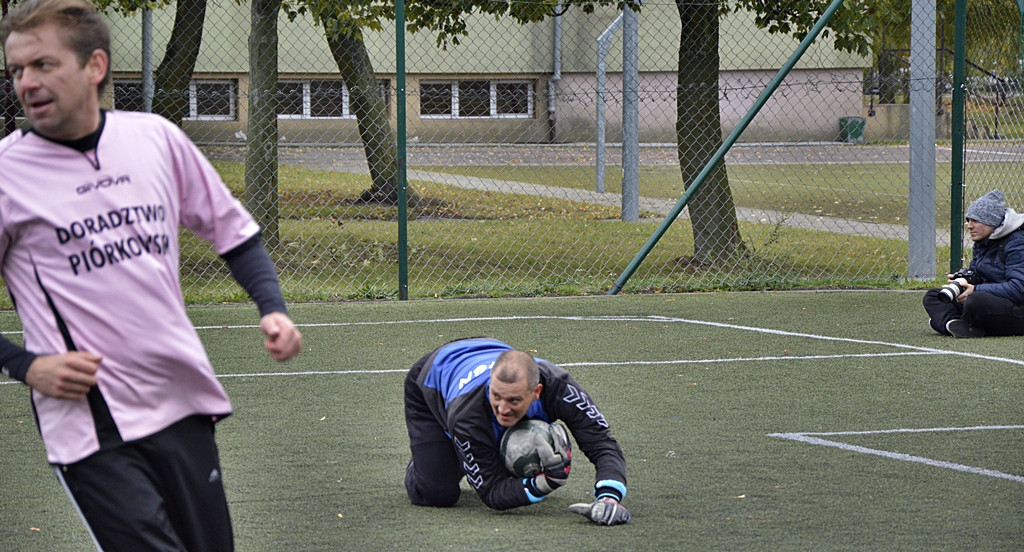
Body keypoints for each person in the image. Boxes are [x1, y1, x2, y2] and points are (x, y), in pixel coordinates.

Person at [0, 0, 303, 549]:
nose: (26, 82)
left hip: (178, 396)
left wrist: (271, 307)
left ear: (94, 67)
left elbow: (233, 231)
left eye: (42, 65)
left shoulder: (155, 139)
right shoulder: (6, 172)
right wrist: (26, 366)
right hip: (90, 422)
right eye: (16, 70)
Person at [403, 337, 630, 526]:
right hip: (430, 381)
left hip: (486, 352)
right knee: (437, 494)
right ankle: (439, 453)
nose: (503, 408)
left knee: (504, 436)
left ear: (536, 392)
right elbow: (491, 491)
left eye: (514, 400)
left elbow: (602, 444)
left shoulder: (561, 388)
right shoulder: (467, 415)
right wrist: (546, 483)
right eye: (496, 396)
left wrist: (609, 498)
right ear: (490, 384)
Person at [924, 189, 1024, 338]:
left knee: (975, 301)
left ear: (992, 222)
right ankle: (954, 325)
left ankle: (950, 324)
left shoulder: (1017, 243)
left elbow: (1019, 288)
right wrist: (963, 281)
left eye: (975, 221)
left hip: (1017, 307)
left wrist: (975, 289)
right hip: (993, 301)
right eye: (968, 220)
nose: (969, 226)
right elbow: (979, 273)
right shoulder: (984, 240)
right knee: (933, 296)